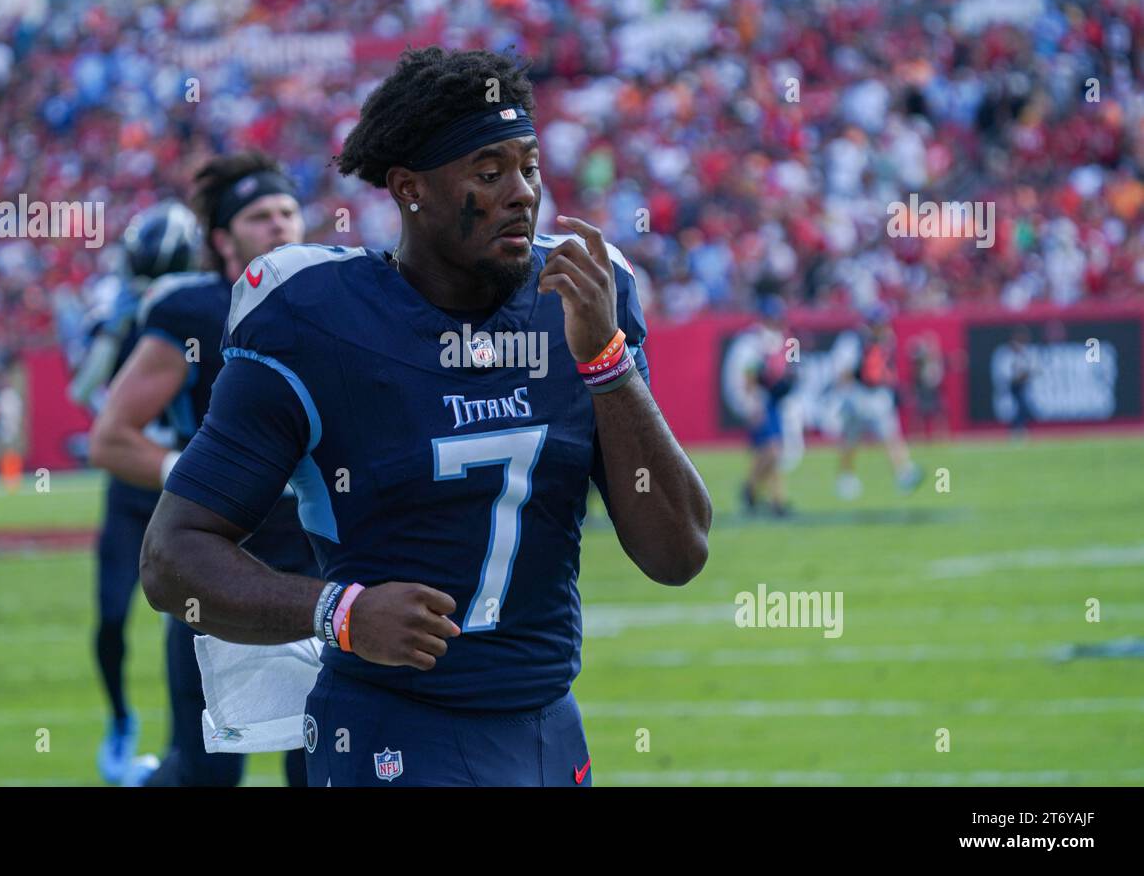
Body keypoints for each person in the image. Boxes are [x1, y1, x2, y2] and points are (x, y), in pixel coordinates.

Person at [140, 47, 713, 786]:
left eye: (529, 167)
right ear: (410, 190)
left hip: (549, 729)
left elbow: (681, 553)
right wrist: (340, 613)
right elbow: (171, 558)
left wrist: (606, 361)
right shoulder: (315, 322)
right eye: (488, 172)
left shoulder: (577, 300)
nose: (521, 195)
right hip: (392, 730)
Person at [89, 155, 316, 787]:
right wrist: (195, 479)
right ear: (221, 239)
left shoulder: (334, 298)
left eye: (286, 211)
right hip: (219, 576)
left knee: (325, 767)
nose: (278, 225)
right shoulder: (194, 310)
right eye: (258, 216)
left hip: (318, 573)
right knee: (206, 774)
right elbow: (110, 438)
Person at [68, 200, 201, 784]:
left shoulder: (198, 303)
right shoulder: (120, 307)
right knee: (111, 617)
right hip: (131, 485)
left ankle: (183, 747)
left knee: (190, 621)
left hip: (182, 485)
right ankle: (121, 717)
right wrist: (123, 320)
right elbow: (84, 388)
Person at [830, 304, 922, 499]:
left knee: (891, 434)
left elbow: (885, 368)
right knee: (851, 440)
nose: (884, 326)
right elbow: (843, 371)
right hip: (857, 394)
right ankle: (846, 477)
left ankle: (904, 473)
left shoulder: (886, 339)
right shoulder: (853, 340)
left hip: (878, 395)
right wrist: (846, 396)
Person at [739, 296, 796, 518]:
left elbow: (788, 369)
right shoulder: (755, 341)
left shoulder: (780, 339)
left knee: (770, 452)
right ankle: (752, 489)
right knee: (772, 450)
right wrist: (753, 405)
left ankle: (775, 500)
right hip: (760, 401)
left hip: (772, 400)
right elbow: (749, 378)